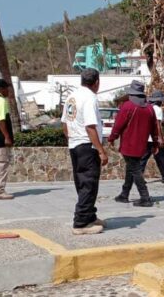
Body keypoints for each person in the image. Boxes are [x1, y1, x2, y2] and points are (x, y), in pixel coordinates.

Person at [62, 69, 107, 235]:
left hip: (75, 144)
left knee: (83, 182)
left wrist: (72, 139)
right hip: (87, 145)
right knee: (89, 182)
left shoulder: (71, 97)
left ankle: (89, 216)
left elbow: (65, 124)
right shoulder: (90, 98)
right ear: (96, 82)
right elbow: (90, 126)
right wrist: (101, 151)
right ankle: (81, 222)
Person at [109, 81, 159, 207]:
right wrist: (155, 143)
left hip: (128, 144)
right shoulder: (150, 108)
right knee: (131, 168)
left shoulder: (127, 106)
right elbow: (154, 128)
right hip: (141, 144)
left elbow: (118, 125)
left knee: (135, 170)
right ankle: (124, 194)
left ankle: (145, 197)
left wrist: (112, 138)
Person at [140, 90, 164, 183]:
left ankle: (139, 178)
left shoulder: (146, 107)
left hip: (145, 137)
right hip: (154, 138)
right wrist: (160, 138)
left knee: (143, 159)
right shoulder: (158, 109)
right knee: (162, 158)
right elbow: (157, 124)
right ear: (159, 100)